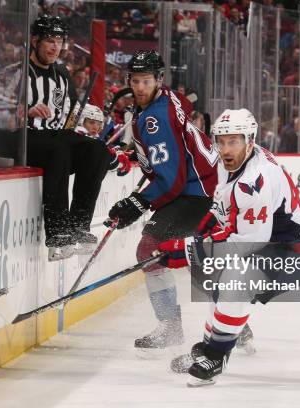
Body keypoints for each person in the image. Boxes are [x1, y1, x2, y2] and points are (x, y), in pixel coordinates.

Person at [156, 109, 300, 386]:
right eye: (221, 141)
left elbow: (249, 243)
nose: (225, 149)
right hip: (272, 242)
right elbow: (223, 209)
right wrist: (197, 238)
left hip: (296, 253)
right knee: (215, 277)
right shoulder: (236, 162)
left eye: (233, 142)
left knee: (236, 277)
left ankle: (216, 355)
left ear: (250, 140)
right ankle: (214, 342)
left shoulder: (255, 180)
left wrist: (189, 250)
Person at [107, 50, 218, 354]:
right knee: (187, 252)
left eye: (146, 80)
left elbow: (172, 181)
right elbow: (182, 115)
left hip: (195, 191)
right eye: (135, 80)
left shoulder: (155, 117)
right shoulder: (168, 98)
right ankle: (230, 319)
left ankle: (175, 327)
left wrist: (137, 202)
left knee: (151, 249)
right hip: (201, 184)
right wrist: (140, 157)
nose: (140, 87)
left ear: (158, 80)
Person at [0, 15, 111, 261]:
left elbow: (69, 117)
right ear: (34, 41)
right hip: (21, 135)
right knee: (59, 149)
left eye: (59, 41)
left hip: (55, 137)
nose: (54, 47)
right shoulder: (15, 73)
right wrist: (24, 110)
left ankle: (79, 225)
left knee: (97, 150)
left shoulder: (62, 76)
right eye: (49, 40)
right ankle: (58, 231)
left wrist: (78, 128)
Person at [75, 103, 131, 176]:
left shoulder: (91, 139)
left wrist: (113, 152)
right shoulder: (76, 137)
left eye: (99, 124)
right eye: (91, 122)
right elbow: (95, 161)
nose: (96, 127)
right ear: (80, 121)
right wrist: (114, 157)